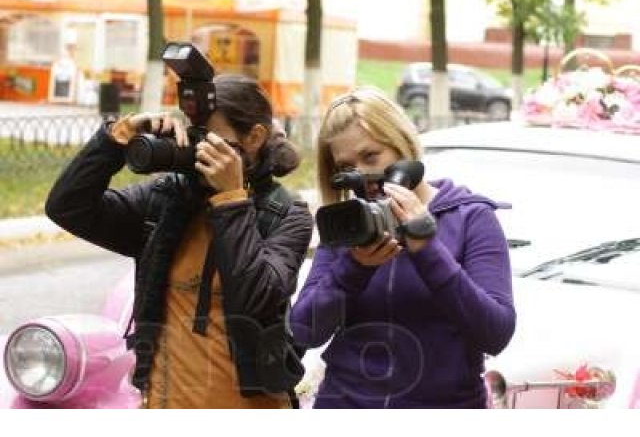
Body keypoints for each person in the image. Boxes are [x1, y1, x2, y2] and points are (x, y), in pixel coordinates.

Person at [46, 74, 313, 409]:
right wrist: (116, 139)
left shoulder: (287, 215)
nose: (196, 147)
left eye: (210, 138)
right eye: (193, 133)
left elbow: (253, 300)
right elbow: (68, 208)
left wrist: (231, 198)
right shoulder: (167, 198)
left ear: (255, 137)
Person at [290, 87, 516, 409]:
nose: (363, 175)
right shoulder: (347, 225)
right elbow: (304, 330)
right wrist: (354, 269)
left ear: (403, 147)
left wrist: (428, 249)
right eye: (346, 166)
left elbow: (495, 333)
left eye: (371, 157)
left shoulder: (470, 217)